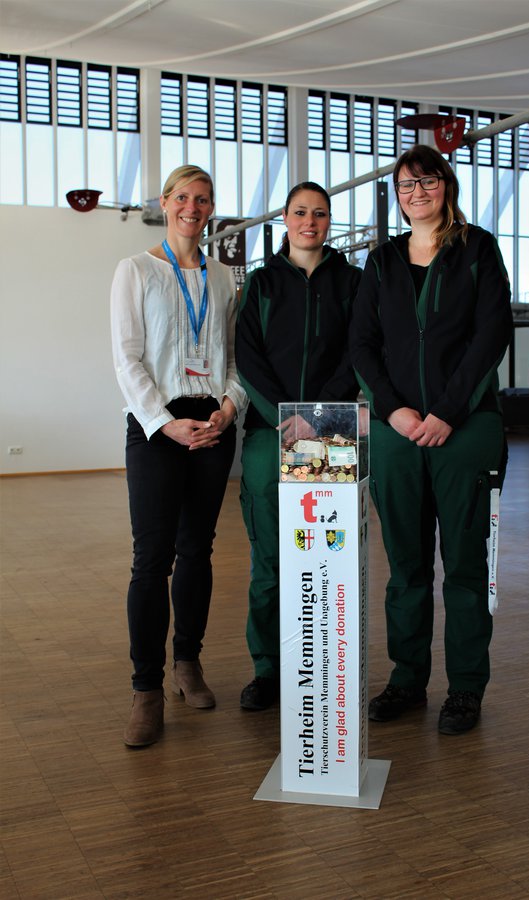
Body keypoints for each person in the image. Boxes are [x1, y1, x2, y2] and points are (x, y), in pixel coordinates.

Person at [350, 144, 513, 735]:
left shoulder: (478, 249)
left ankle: (466, 688)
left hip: (466, 430)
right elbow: (362, 344)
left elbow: (491, 336)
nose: (415, 193)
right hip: (397, 435)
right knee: (406, 567)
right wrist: (392, 411)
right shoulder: (383, 260)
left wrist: (447, 411)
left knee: (465, 567)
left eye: (426, 181)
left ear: (446, 185)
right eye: (404, 185)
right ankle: (406, 679)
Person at [111, 165, 246, 747]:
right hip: (157, 429)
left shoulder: (224, 279)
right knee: (152, 558)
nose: (194, 207)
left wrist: (228, 409)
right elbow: (127, 360)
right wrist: (167, 425)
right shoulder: (135, 270)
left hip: (213, 426)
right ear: (165, 203)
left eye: (204, 199)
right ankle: (145, 689)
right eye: (184, 197)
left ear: (211, 209)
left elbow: (239, 360)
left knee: (198, 550)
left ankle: (186, 664)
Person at [235, 181, 362, 710]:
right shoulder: (261, 285)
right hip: (272, 434)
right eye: (300, 213)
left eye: (321, 214)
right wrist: (285, 418)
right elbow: (248, 356)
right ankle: (268, 670)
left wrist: (317, 417)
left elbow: (360, 350)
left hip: (333, 436)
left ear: (329, 221)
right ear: (285, 219)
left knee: (331, 560)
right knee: (271, 559)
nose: (310, 222)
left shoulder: (353, 283)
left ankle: (329, 663)